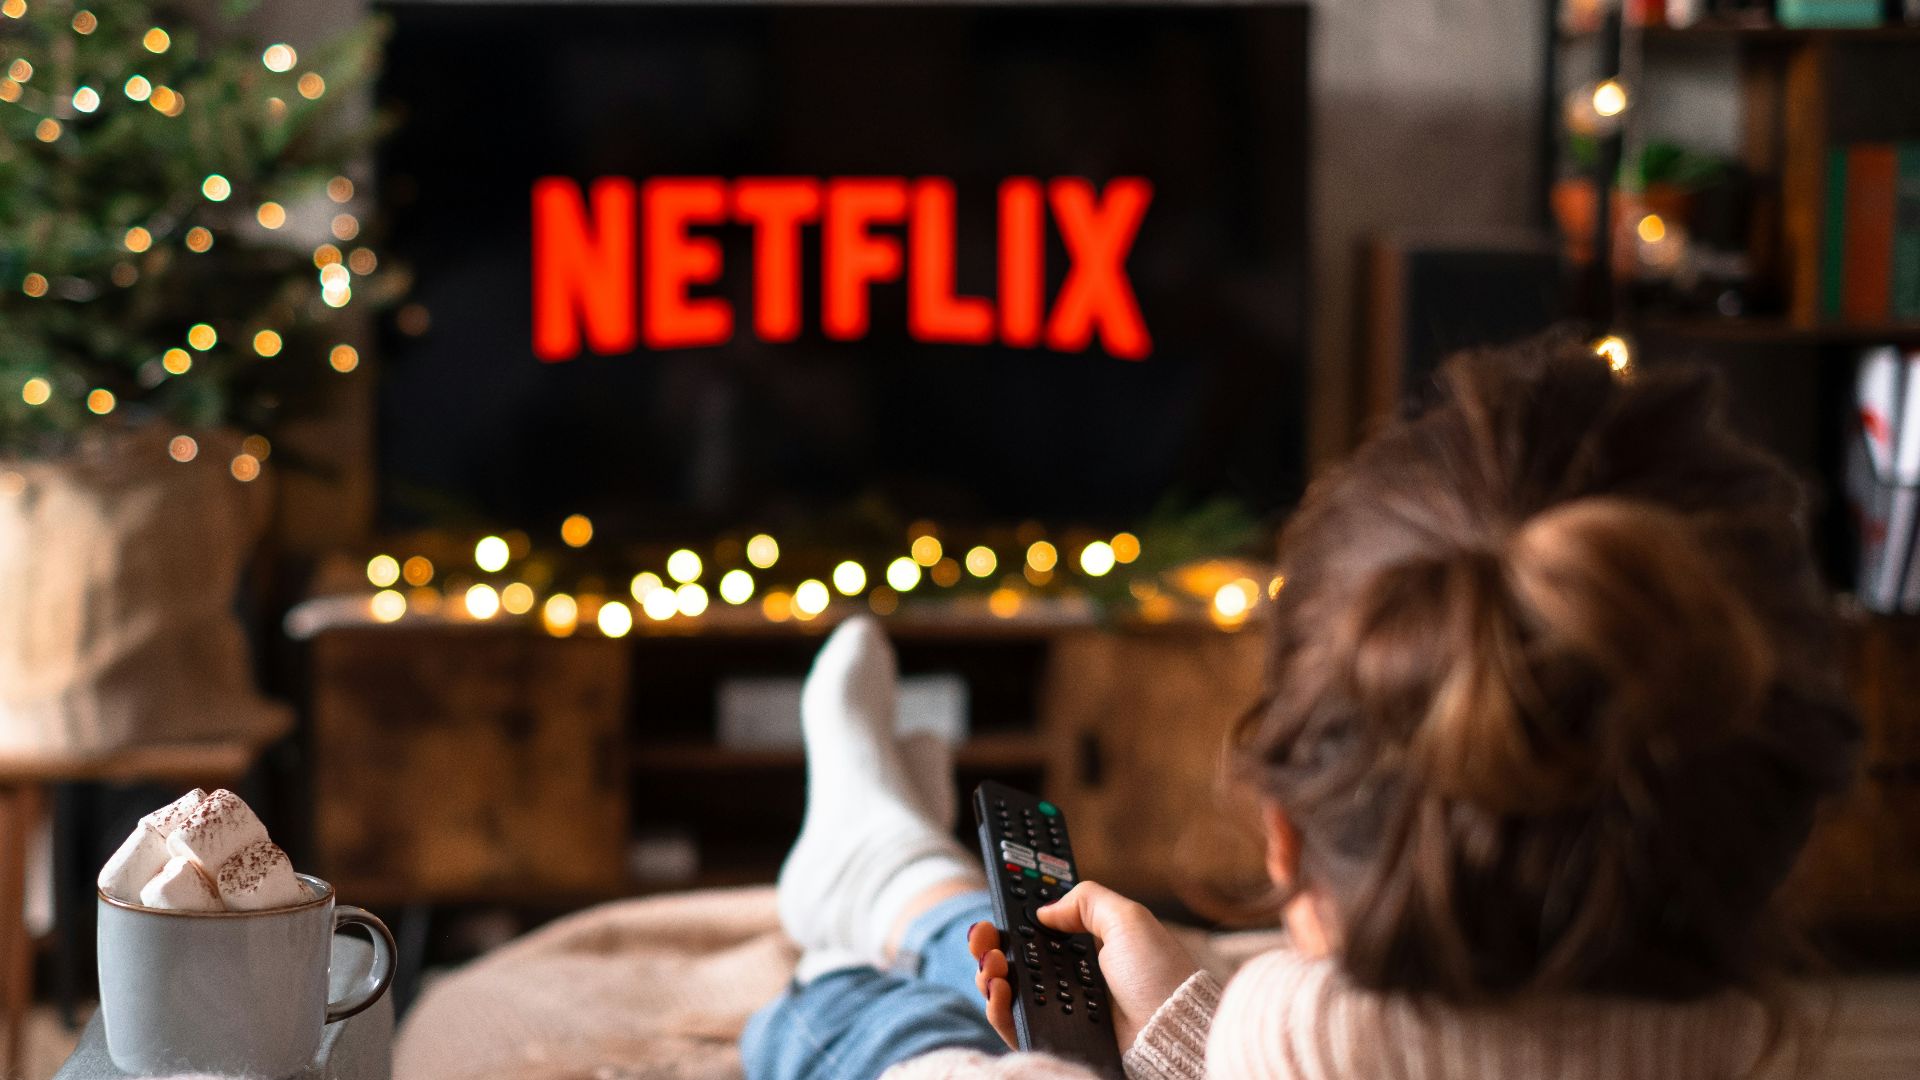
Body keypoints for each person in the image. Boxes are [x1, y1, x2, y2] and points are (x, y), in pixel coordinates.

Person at [741, 341, 1857, 1079]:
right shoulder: (1753, 1053)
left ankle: (879, 873)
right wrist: (1182, 1020)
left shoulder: (1291, 1031)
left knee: (858, 1014)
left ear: (1284, 847)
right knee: (1015, 961)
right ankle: (884, 869)